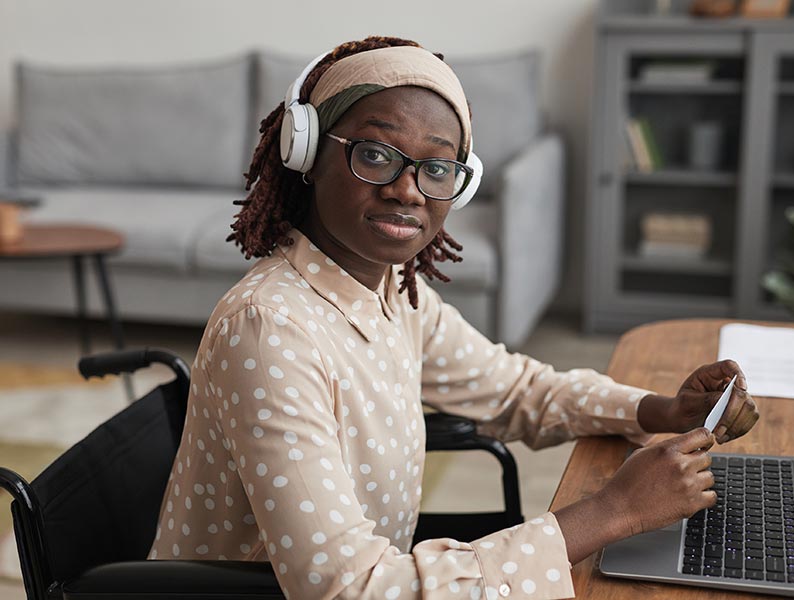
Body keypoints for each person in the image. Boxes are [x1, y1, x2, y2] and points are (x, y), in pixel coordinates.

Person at [149, 36, 759, 599]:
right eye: (376, 155)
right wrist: (612, 512)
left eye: (437, 169)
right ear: (304, 153)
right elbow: (345, 587)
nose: (408, 190)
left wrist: (658, 410)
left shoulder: (393, 292)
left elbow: (518, 388)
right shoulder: (269, 330)